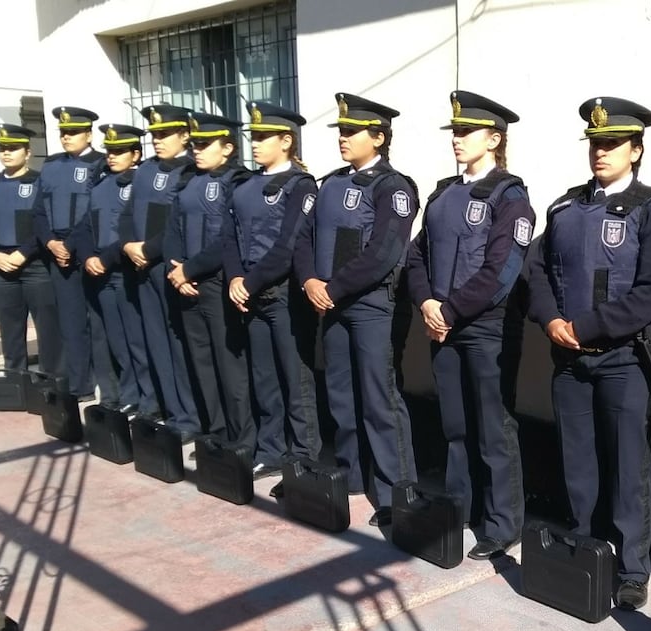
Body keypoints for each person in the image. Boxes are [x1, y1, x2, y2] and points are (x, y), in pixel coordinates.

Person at [527, 97, 651, 609]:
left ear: (636, 149)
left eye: (612, 143)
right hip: (570, 360)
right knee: (579, 464)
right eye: (595, 143)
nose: (601, 151)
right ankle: (587, 550)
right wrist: (551, 321)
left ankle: (633, 568)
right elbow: (539, 271)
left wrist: (586, 325)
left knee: (628, 466)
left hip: (624, 360)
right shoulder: (565, 207)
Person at [406, 90, 534, 559]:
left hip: (486, 329)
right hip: (442, 325)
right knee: (456, 425)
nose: (457, 140)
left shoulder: (510, 195)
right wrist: (425, 303)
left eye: (466, 132)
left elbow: (501, 272)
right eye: (455, 132)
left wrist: (450, 310)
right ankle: (460, 510)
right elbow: (416, 254)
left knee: (494, 428)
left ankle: (502, 525)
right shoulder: (443, 193)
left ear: (494, 139)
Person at [295, 93, 419, 527]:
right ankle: (349, 476)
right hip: (330, 302)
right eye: (342, 132)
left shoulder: (394, 187)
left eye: (352, 132)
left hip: (369, 305)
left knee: (379, 400)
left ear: (379, 137)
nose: (343, 139)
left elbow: (385, 251)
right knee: (342, 396)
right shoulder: (329, 183)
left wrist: (333, 285)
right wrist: (310, 280)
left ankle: (393, 492)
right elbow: (304, 237)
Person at [221, 101, 319, 480]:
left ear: (286, 141)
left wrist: (249, 281)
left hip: (283, 294)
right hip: (249, 293)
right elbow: (229, 236)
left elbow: (290, 245)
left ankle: (303, 457)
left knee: (296, 381)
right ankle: (271, 450)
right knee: (264, 379)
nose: (256, 144)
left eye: (264, 138)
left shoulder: (300, 185)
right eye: (254, 137)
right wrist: (233, 278)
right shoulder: (245, 184)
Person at [166, 111, 256, 452]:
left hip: (218, 283)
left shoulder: (238, 181)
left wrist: (190, 269)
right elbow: (173, 230)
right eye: (195, 145)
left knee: (230, 366)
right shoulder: (188, 179)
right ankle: (216, 432)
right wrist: (176, 273)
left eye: (205, 145)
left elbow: (231, 239)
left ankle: (242, 439)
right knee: (201, 364)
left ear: (228, 147)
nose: (197, 151)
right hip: (186, 284)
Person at [117, 104, 199, 434]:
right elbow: (126, 214)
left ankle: (190, 418)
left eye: (165, 134)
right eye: (154, 135)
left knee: (178, 347)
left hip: (169, 266)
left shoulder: (191, 170)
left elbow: (177, 225)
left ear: (185, 135)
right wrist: (127, 245)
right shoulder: (146, 170)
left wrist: (148, 250)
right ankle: (171, 411)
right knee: (155, 344)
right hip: (141, 268)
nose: (158, 141)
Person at [68, 124, 156, 417]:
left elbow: (131, 231)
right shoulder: (101, 185)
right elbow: (85, 226)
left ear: (136, 154)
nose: (112, 156)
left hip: (125, 270)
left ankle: (150, 400)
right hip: (101, 273)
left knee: (137, 341)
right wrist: (88, 256)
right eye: (109, 151)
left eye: (120, 151)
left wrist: (105, 258)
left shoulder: (141, 183)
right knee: (118, 341)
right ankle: (130, 395)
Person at [0, 124, 63, 375]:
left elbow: (45, 223)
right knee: (10, 332)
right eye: (2, 148)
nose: (6, 153)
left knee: (48, 330)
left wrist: (24, 252)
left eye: (13, 148)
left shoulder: (40, 183)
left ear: (28, 152)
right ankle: (16, 381)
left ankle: (50, 383)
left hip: (35, 265)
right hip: (0, 267)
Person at [33, 106, 110, 402]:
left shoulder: (101, 164)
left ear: (88, 134)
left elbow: (96, 211)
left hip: (90, 249)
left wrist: (71, 244)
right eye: (63, 132)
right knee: (72, 323)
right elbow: (39, 211)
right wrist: (52, 243)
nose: (66, 137)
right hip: (58, 252)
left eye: (73, 132)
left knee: (101, 324)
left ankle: (110, 390)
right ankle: (81, 386)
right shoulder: (51, 166)